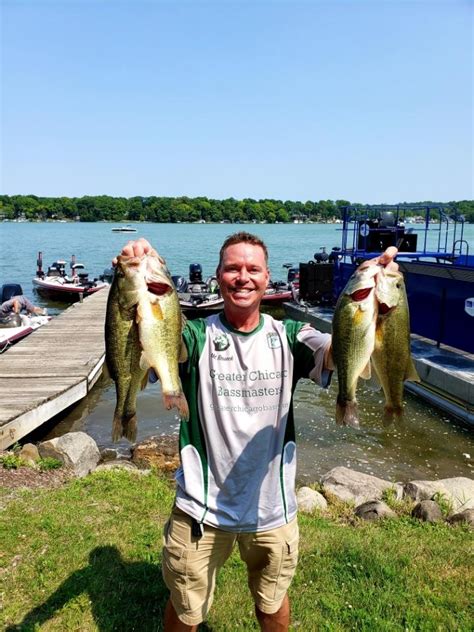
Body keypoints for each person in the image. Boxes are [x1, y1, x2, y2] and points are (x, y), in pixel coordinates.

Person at [118, 234, 398, 632]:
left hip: (272, 508)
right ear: (217, 277)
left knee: (272, 603)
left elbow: (339, 351)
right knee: (186, 609)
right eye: (232, 268)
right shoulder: (196, 336)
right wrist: (135, 278)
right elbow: (160, 338)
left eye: (252, 269)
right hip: (201, 506)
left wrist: (375, 301)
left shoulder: (291, 336)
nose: (242, 278)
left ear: (268, 278)